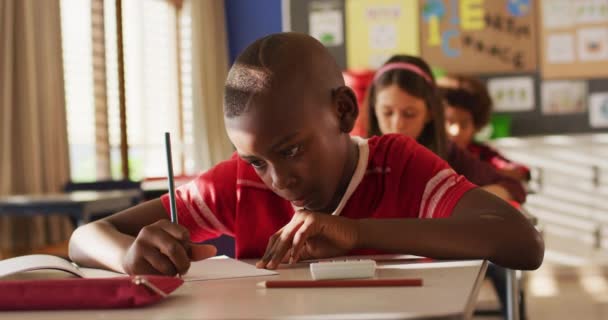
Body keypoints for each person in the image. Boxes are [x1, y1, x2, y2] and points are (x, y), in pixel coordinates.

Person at [69, 33, 543, 277]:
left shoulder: (397, 165)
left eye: (292, 149)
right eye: (258, 160)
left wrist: (356, 232)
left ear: (342, 112)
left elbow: (523, 243)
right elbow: (86, 237)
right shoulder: (239, 182)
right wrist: (128, 256)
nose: (277, 179)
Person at [366, 55, 526, 203]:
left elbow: (513, 186)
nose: (397, 124)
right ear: (374, 109)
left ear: (429, 113)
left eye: (409, 114)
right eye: (387, 112)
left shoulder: (448, 152)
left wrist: (461, 202)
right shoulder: (359, 156)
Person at [439, 75, 531, 181]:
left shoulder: (481, 153)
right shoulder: (431, 152)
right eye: (449, 121)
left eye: (464, 124)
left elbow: (518, 171)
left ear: (476, 126)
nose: (455, 131)